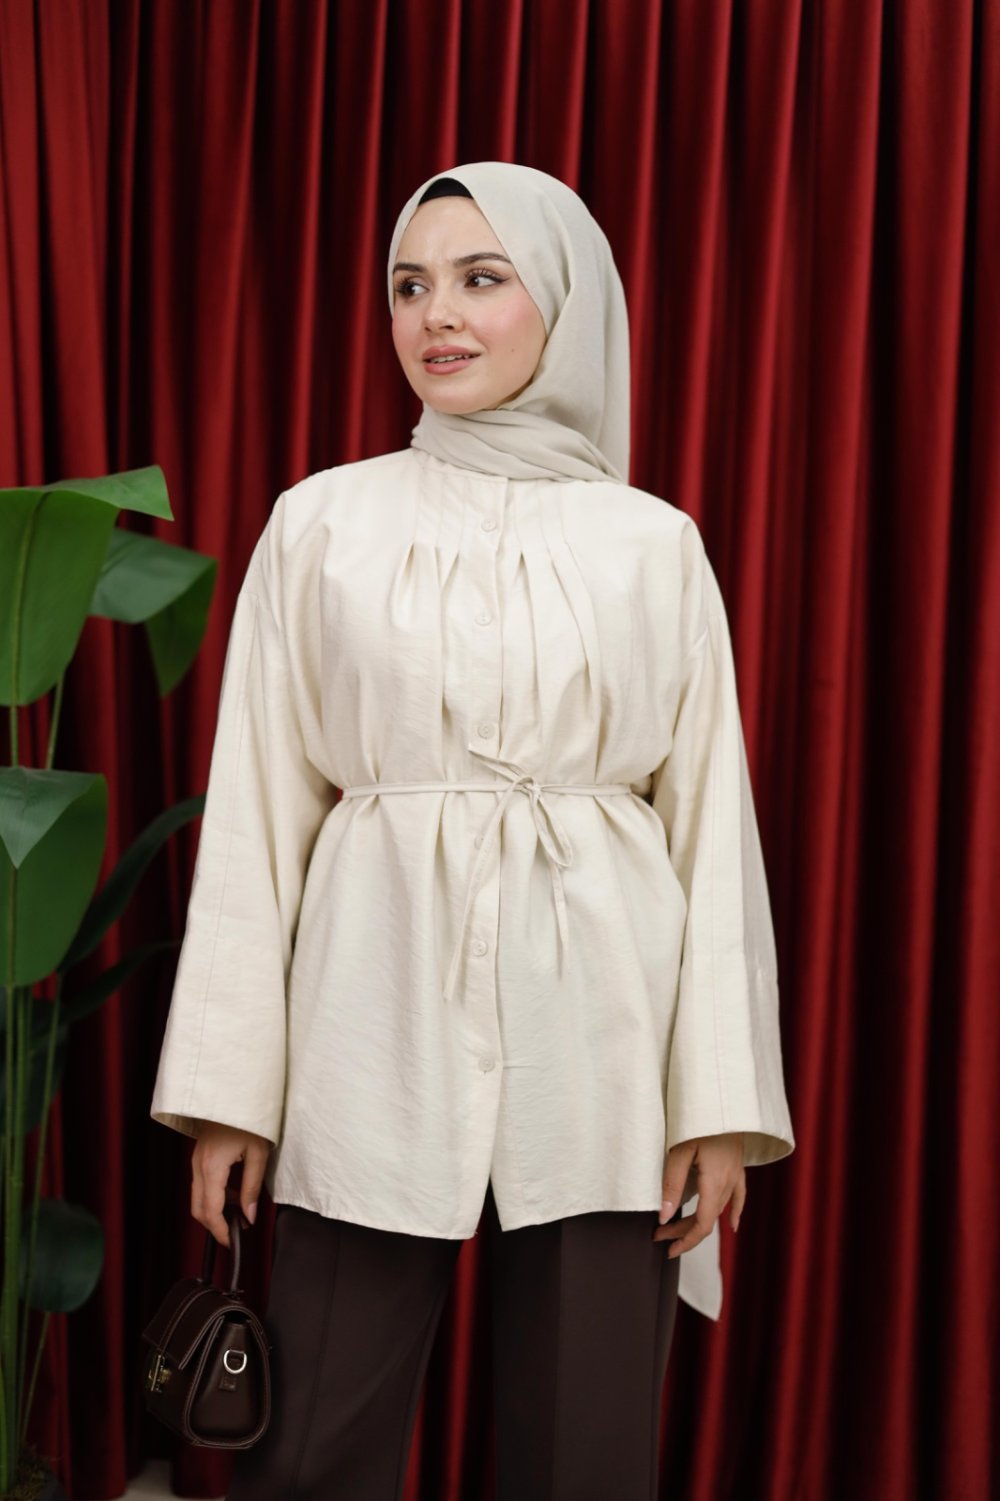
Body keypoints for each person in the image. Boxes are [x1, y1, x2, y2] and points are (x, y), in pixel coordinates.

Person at [150, 161, 795, 1501]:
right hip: (367, 1026)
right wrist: (230, 1096)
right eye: (409, 284)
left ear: (562, 301)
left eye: (480, 278)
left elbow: (710, 834)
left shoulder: (654, 545)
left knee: (584, 1458)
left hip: (606, 1045)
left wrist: (719, 1105)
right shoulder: (320, 524)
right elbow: (260, 815)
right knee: (310, 1449)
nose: (435, 314)